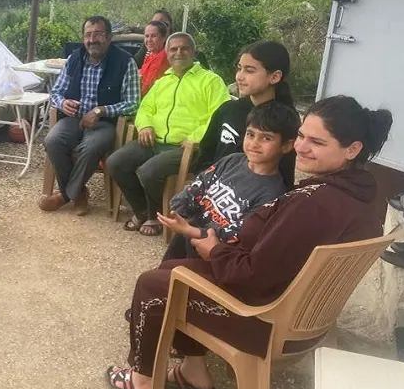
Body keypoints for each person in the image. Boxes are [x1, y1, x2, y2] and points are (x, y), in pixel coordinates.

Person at [106, 95, 392, 389]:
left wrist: (215, 250)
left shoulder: (313, 204)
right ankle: (194, 373)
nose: (301, 147)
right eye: (301, 137)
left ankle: (142, 382)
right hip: (298, 317)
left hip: (265, 320)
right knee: (176, 266)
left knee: (155, 284)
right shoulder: (360, 202)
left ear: (352, 149)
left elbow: (250, 275)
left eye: (317, 142)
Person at [106, 32, 230, 237]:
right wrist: (145, 125)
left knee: (148, 171)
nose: (179, 52)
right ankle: (143, 210)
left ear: (193, 52)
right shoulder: (163, 82)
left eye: (184, 48)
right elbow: (145, 109)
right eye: (173, 49)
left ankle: (155, 216)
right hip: (154, 141)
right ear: (167, 53)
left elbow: (220, 114)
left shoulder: (210, 81)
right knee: (115, 162)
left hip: (187, 147)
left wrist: (195, 137)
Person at [159, 102, 300, 262]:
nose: (254, 143)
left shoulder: (272, 194)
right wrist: (179, 210)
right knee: (163, 275)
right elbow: (197, 187)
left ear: (287, 145)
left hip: (212, 256)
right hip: (187, 233)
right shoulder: (231, 161)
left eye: (266, 138)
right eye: (250, 134)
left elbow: (235, 235)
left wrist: (191, 230)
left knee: (160, 278)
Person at [40, 15, 140, 216]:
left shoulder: (125, 62)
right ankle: (79, 193)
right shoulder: (74, 59)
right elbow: (56, 93)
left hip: (104, 123)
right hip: (73, 118)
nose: (92, 40)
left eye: (98, 34)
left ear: (109, 37)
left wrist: (100, 110)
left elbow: (133, 103)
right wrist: (63, 103)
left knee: (91, 146)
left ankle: (66, 196)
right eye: (88, 35)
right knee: (52, 140)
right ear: (83, 38)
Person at [193, 40, 297, 190]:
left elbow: (284, 177)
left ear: (274, 77)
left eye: (249, 70)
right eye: (239, 69)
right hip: (211, 190)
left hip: (251, 201)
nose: (239, 77)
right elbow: (205, 152)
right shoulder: (228, 110)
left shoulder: (284, 120)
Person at [139, 20, 170, 96]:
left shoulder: (163, 58)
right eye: (147, 36)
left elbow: (147, 88)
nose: (149, 40)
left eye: (153, 36)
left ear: (164, 38)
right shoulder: (151, 54)